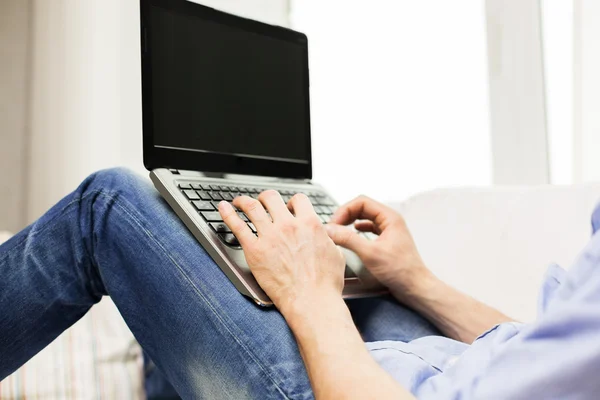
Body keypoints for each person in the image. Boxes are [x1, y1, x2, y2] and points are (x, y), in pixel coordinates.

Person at [1, 168, 599, 399]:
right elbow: (545, 355)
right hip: (442, 367)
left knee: (107, 207)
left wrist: (311, 295)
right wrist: (415, 281)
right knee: (234, 271)